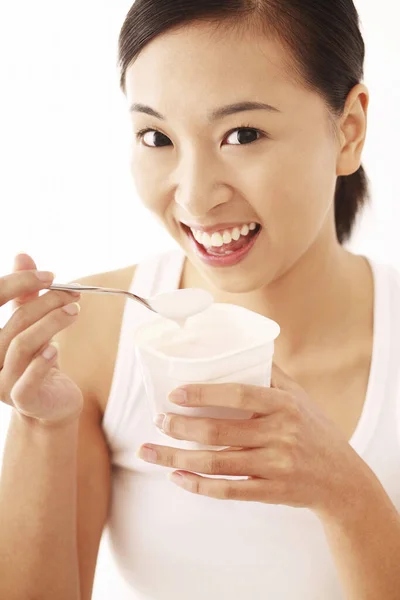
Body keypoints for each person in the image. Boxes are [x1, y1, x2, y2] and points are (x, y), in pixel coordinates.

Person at [1, 0, 400, 599]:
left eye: (242, 134)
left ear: (349, 130)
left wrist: (345, 491)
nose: (193, 197)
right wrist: (41, 427)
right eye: (156, 136)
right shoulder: (90, 341)